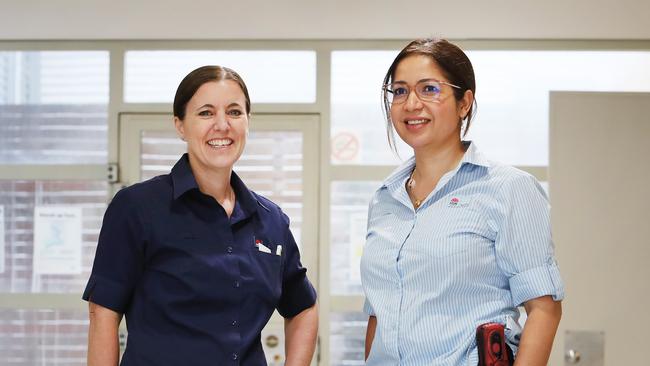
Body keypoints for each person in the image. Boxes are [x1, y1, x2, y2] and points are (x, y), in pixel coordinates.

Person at [83, 65, 318, 366]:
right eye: (206, 113)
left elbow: (303, 306)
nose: (222, 125)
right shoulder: (137, 208)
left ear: (248, 122)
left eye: (234, 112)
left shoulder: (271, 220)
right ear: (180, 125)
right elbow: (102, 311)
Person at [360, 39, 564, 365]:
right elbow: (378, 312)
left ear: (464, 102)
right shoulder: (385, 198)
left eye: (429, 89)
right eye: (399, 91)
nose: (411, 103)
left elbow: (544, 308)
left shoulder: (507, 189)